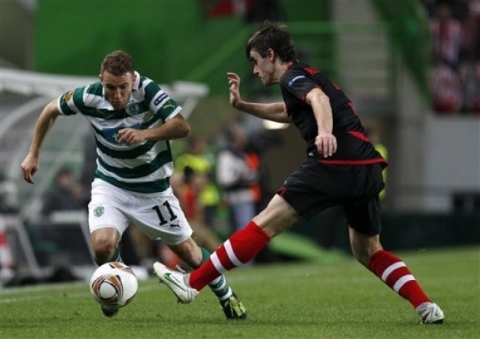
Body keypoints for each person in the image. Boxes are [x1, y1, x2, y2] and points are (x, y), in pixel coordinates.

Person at [153, 22, 445, 325]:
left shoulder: (294, 76)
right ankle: (426, 306)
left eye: (255, 61)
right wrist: (242, 105)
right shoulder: (306, 75)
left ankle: (192, 284)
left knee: (263, 223)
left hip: (333, 163)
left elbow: (317, 100)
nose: (254, 71)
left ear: (270, 54)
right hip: (366, 169)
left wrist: (326, 133)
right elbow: (286, 111)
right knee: (368, 250)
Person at [20, 50, 247, 320]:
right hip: (111, 185)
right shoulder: (88, 96)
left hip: (153, 191)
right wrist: (34, 153)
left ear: (133, 81)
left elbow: (182, 126)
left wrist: (145, 134)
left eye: (123, 88)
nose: (116, 95)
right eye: (110, 87)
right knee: (102, 246)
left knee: (190, 252)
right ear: (100, 80)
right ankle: (113, 287)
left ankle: (228, 298)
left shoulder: (149, 91)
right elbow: (50, 110)